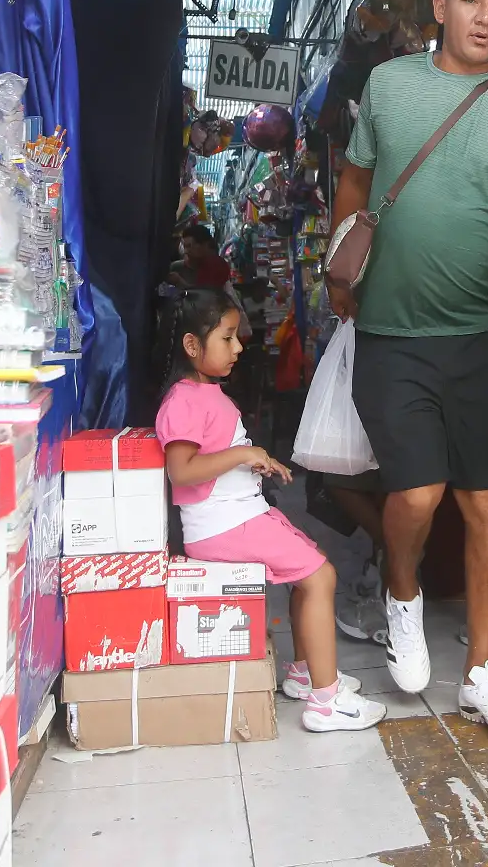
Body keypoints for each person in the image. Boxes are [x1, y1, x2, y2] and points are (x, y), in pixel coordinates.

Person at [329, 0, 488, 746]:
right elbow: (357, 184)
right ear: (439, 8)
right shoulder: (390, 87)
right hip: (393, 333)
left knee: (485, 502)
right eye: (470, 0)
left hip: (484, 337)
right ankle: (400, 595)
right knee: (418, 494)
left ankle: (478, 676)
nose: (485, 17)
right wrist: (339, 261)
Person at [156, 287, 387, 733]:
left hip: (239, 517)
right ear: (192, 345)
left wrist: (256, 459)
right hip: (224, 525)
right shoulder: (184, 401)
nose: (238, 347)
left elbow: (222, 450)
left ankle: (304, 673)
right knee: (321, 577)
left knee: (308, 575)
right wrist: (245, 457)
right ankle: (326, 702)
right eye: (227, 338)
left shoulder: (204, 393)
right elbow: (181, 471)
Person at [170, 223, 232, 289]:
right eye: (184, 247)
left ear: (205, 245)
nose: (185, 251)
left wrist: (180, 282)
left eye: (189, 246)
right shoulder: (176, 267)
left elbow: (207, 294)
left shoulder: (218, 266)